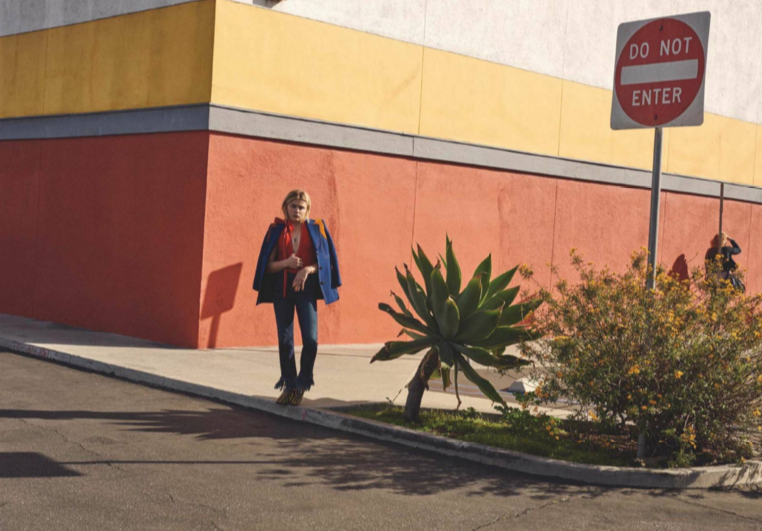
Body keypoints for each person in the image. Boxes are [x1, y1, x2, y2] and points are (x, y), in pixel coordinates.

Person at [253, 190, 341, 406]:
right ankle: (290, 384)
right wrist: (287, 263)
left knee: (310, 340)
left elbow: (325, 262)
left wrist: (306, 270)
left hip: (306, 288)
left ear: (307, 209)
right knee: (285, 340)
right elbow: (268, 266)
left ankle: (303, 381)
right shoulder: (276, 230)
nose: (297, 210)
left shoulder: (317, 229)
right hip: (282, 289)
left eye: (301, 207)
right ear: (286, 207)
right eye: (293, 206)